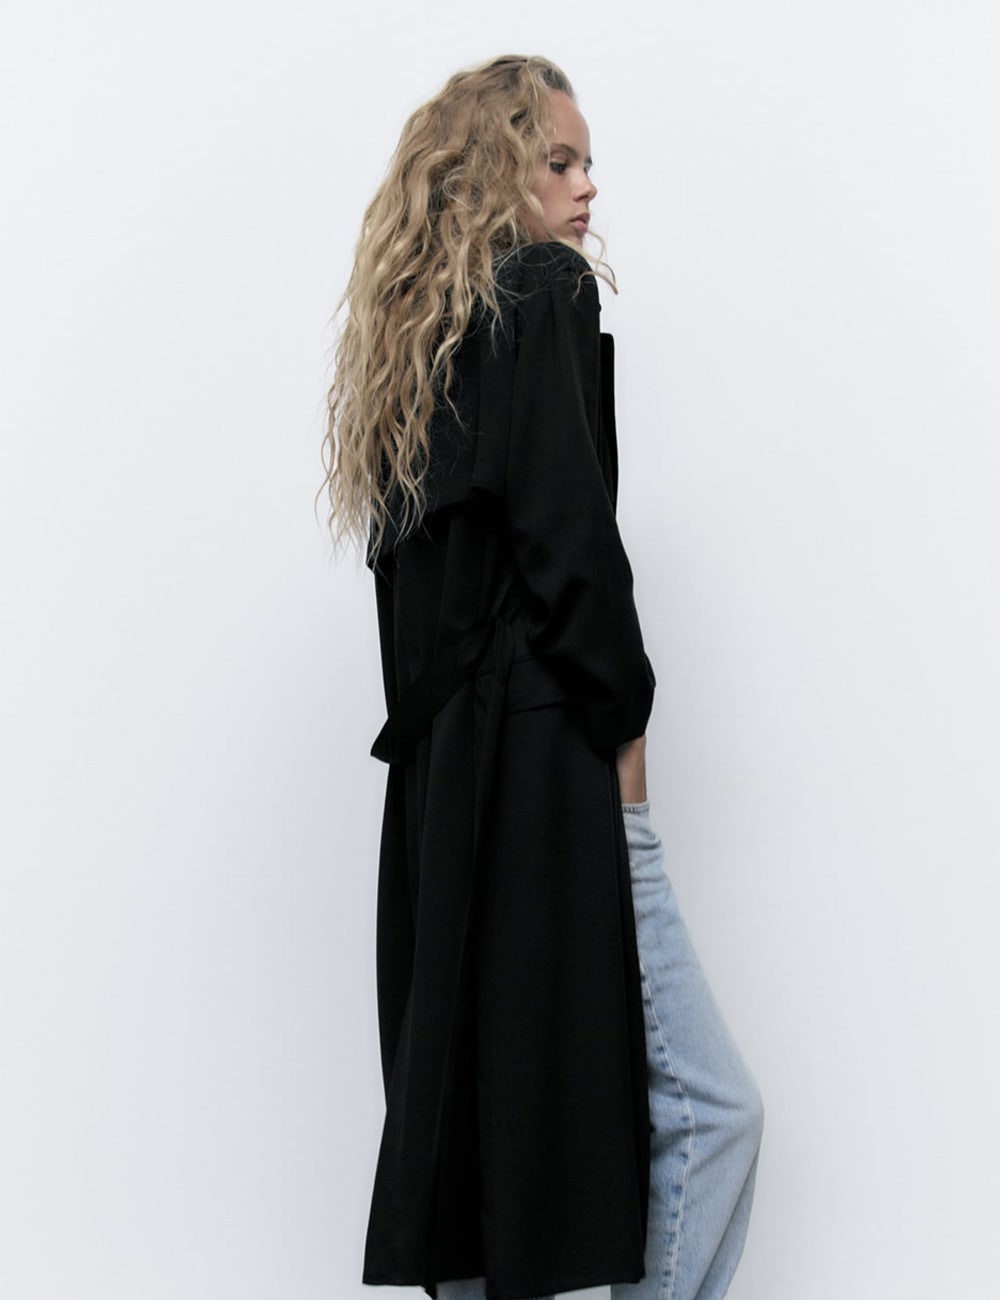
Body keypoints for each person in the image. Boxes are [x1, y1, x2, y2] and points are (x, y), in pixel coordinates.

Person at [323, 54, 764, 1300]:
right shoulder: (542, 289)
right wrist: (624, 724)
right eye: (558, 161)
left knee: (469, 1136)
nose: (586, 188)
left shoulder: (415, 353)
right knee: (714, 1110)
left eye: (586, 163)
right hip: (542, 769)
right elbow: (571, 547)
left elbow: (411, 608)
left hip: (442, 795)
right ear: (490, 175)